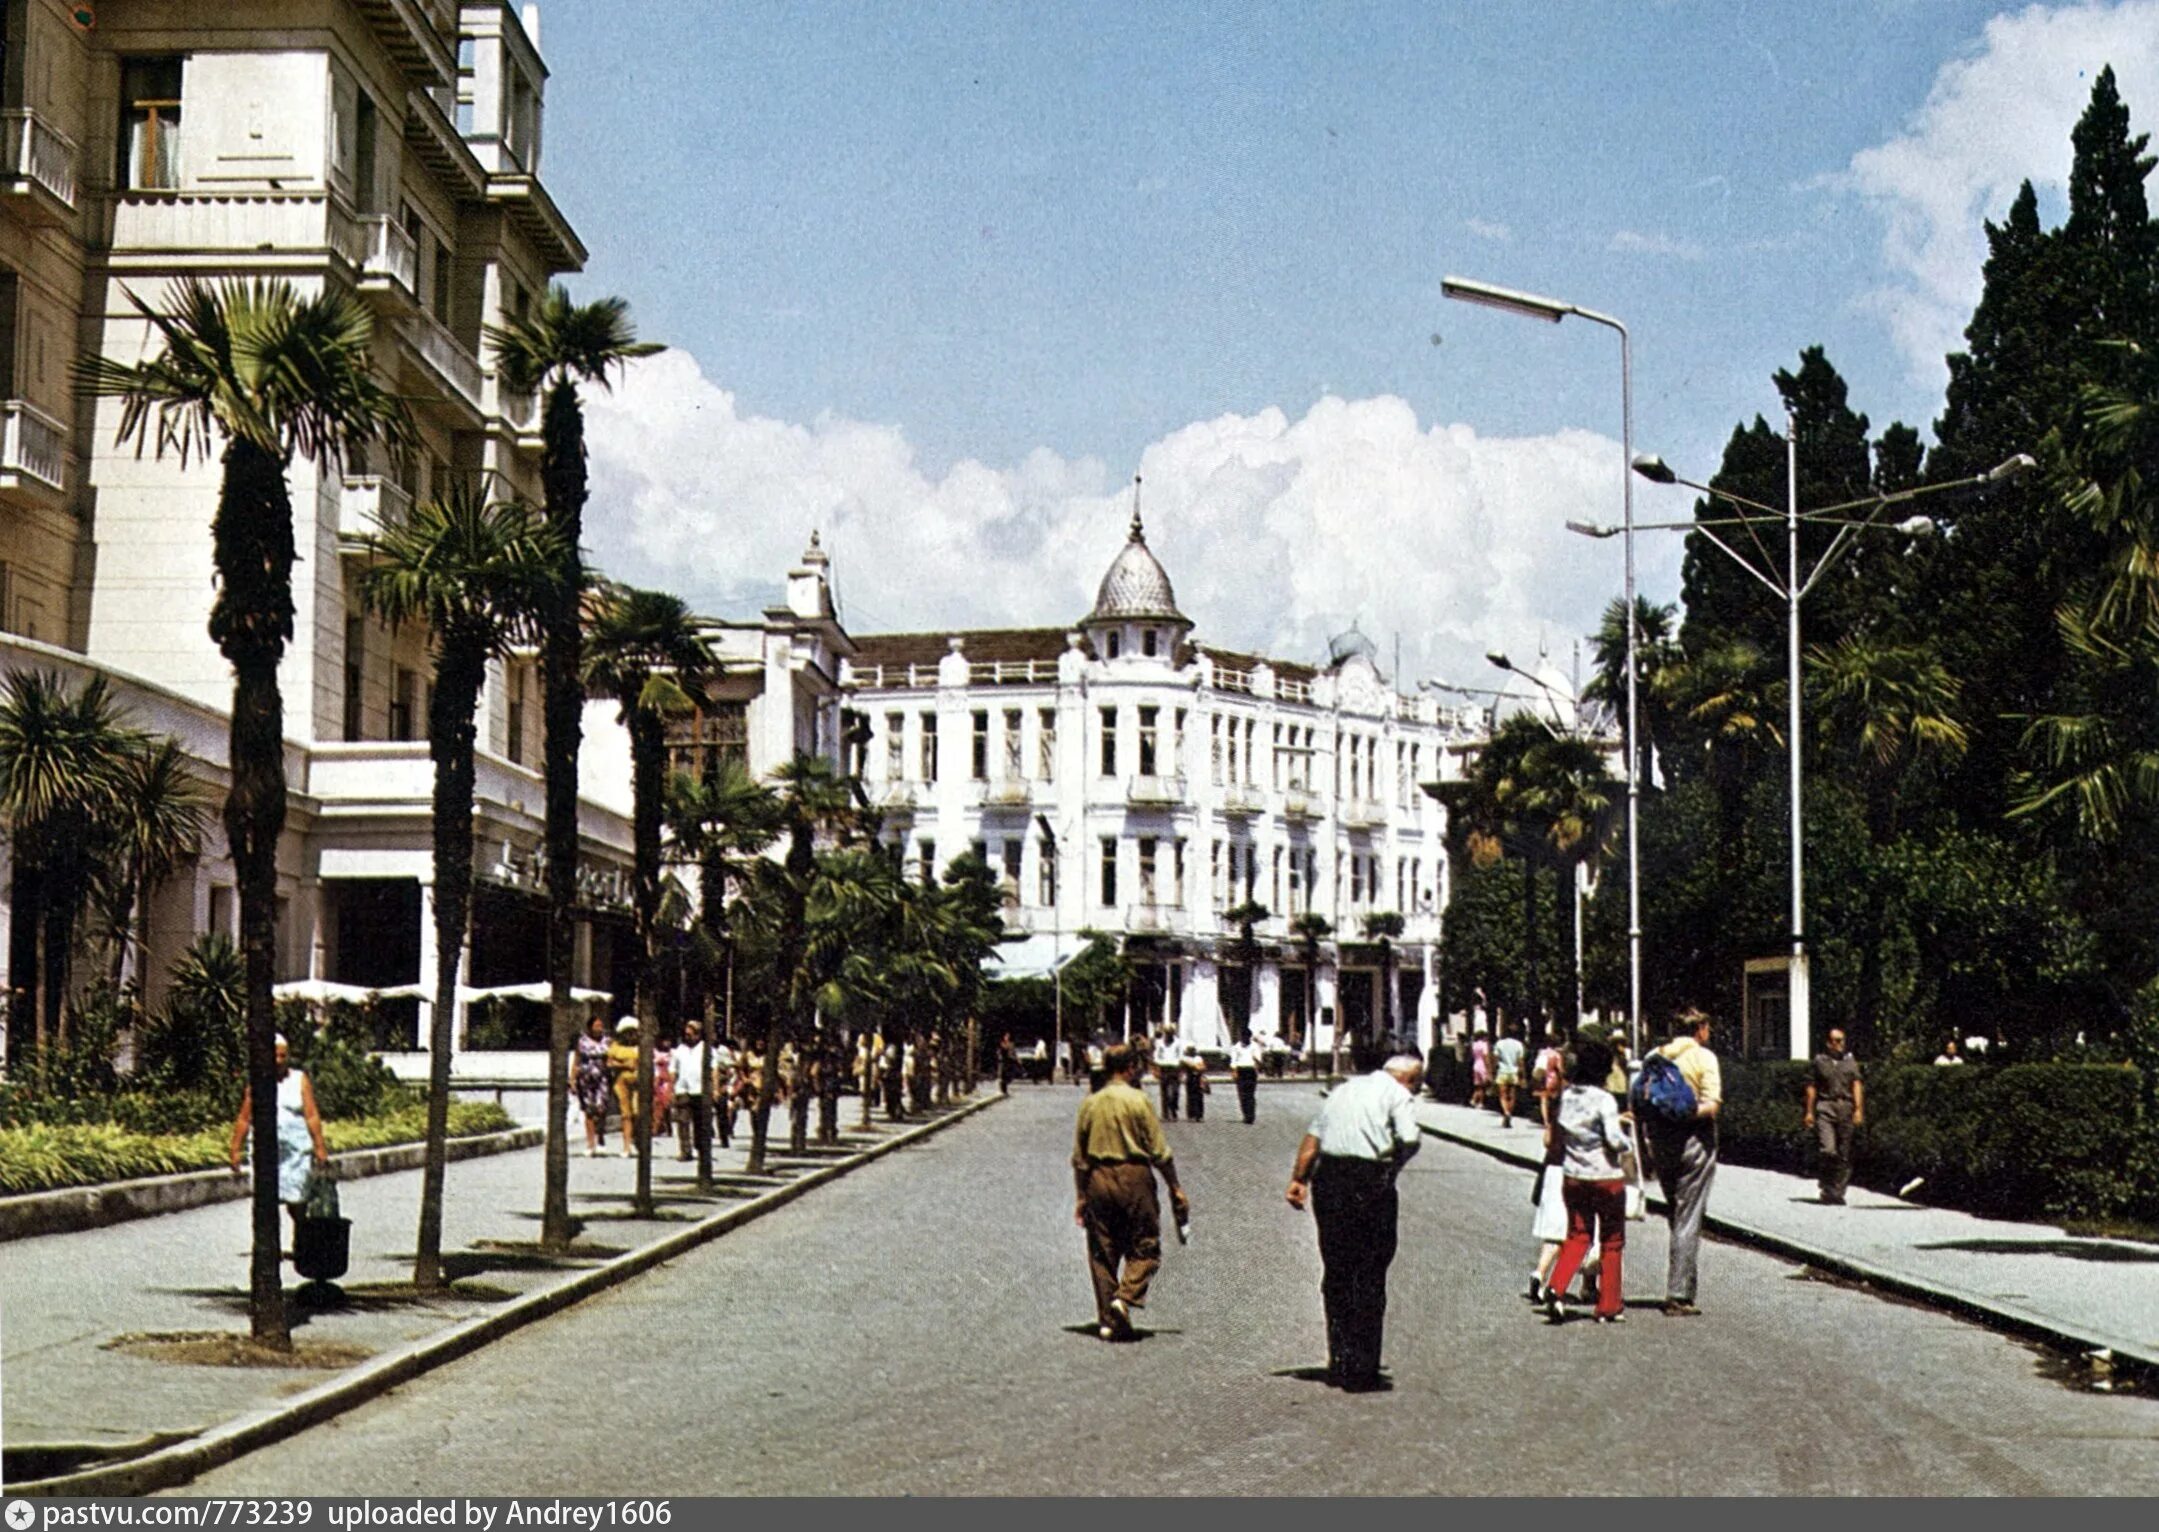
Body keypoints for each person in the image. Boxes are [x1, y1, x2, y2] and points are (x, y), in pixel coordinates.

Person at [1284, 1052, 1425, 1392]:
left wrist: (1298, 1179)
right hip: (1369, 1179)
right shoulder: (1397, 1094)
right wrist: (1392, 1168)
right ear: (1409, 1079)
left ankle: (1340, 1358)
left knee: (1337, 1268)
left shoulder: (1343, 1090)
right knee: (1371, 1269)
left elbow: (1313, 1137)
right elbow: (1410, 1138)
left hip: (1330, 1179)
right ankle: (1364, 1366)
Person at [1072, 1044, 1190, 1342]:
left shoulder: (1091, 1103)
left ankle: (1108, 1320)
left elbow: (1079, 1158)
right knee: (1145, 1247)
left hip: (1098, 1178)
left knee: (1102, 1251)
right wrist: (1174, 1186)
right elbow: (1159, 1150)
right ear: (1127, 1068)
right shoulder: (1139, 1101)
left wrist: (1081, 1196)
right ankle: (1123, 1300)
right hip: (1135, 1176)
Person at [1539, 1038, 1631, 1324]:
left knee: (1578, 1236)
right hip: (1606, 1178)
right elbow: (1615, 1141)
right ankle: (1609, 1306)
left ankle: (1556, 1286)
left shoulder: (1567, 1097)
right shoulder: (1605, 1100)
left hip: (1573, 1177)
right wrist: (1627, 1139)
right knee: (1612, 1241)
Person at [1644, 1009, 1721, 1317]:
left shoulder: (1654, 1055)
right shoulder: (1704, 1058)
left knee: (1677, 1211)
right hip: (1694, 1141)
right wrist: (1684, 1113)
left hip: (1660, 1142)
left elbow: (1641, 1100)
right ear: (1700, 1029)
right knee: (1688, 1215)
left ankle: (1684, 1283)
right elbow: (1712, 1106)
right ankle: (1678, 1294)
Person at [227, 1033, 329, 1224]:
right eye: (275, 1056)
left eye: (283, 1056)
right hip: (267, 1153)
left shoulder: (299, 1079)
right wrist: (235, 1148)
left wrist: (320, 1146)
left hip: (296, 1152)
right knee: (267, 1201)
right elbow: (244, 1118)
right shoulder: (257, 1082)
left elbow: (311, 1115)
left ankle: (301, 1237)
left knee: (298, 1199)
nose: (279, 1061)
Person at [1802, 1026, 1865, 1205]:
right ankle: (1827, 1185)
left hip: (1845, 1107)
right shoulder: (1819, 1061)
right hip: (1826, 1107)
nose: (1839, 1044)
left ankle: (1837, 1192)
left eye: (1842, 1040)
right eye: (1836, 1041)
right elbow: (1811, 1087)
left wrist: (1858, 1109)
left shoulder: (1850, 1062)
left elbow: (1857, 1085)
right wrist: (1809, 1111)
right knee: (1828, 1150)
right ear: (1828, 1043)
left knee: (1844, 1153)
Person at [670, 1021, 713, 1164]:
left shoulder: (706, 1050)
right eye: (686, 1034)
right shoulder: (679, 1050)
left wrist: (715, 1088)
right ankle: (685, 1151)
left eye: (691, 1034)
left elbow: (714, 1070)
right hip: (682, 1089)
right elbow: (673, 1071)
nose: (687, 1037)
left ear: (698, 1034)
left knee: (700, 1122)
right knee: (682, 1121)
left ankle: (701, 1148)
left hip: (700, 1090)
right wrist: (672, 1088)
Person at [573, 1015, 613, 1157]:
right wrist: (572, 1079)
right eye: (596, 1025)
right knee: (589, 1111)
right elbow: (576, 1060)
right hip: (585, 1078)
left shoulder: (607, 1041)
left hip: (602, 1078)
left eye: (600, 1025)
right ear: (590, 1027)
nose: (599, 1028)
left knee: (601, 1110)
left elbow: (610, 1058)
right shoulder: (582, 1041)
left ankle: (601, 1139)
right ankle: (590, 1143)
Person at [606, 1017, 642, 1157]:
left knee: (637, 1113)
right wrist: (625, 1065)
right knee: (625, 1115)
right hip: (621, 1082)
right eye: (627, 1032)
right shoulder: (616, 1046)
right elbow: (610, 1063)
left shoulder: (641, 1047)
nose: (630, 1035)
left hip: (638, 1083)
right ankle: (626, 1146)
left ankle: (637, 1139)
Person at [1492, 1023, 1525, 1128]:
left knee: (1502, 1095)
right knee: (1512, 1095)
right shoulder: (1519, 1045)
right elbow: (1520, 1061)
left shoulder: (1499, 1044)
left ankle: (1506, 1112)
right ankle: (1510, 1112)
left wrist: (1493, 1072)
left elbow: (1495, 1059)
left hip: (1502, 1071)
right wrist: (1523, 1075)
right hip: (1514, 1072)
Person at [1228, 1029, 1263, 1124]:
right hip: (1241, 1070)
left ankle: (1251, 1116)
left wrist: (1257, 1067)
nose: (1245, 1039)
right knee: (1242, 1094)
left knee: (1250, 1094)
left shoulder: (1255, 1046)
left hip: (1250, 1071)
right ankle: (1246, 1115)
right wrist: (1234, 1072)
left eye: (1247, 1037)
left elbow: (1258, 1060)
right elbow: (1233, 1061)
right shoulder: (1236, 1047)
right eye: (1243, 1037)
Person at [1153, 1027, 1182, 1121]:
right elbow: (1156, 1055)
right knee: (1164, 1091)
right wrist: (1156, 1068)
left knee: (1175, 1091)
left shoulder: (1178, 1042)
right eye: (1167, 1033)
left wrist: (1180, 1069)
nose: (1168, 1035)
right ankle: (1165, 1113)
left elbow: (1180, 1055)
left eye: (1170, 1033)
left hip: (1175, 1068)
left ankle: (1173, 1110)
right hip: (1164, 1067)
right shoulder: (1160, 1043)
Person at [1181, 1040, 1208, 1120]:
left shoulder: (1198, 1058)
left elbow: (1202, 1067)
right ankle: (1191, 1114)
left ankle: (1199, 1114)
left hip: (1198, 1077)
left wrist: (1195, 1066)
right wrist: (1196, 1066)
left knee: (1199, 1096)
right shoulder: (1185, 1058)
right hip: (1190, 1077)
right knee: (1190, 1096)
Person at [1469, 1030, 1491, 1111]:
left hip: (1476, 1064)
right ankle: (1480, 1102)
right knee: (1483, 1086)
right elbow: (1485, 1056)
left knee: (1477, 1085)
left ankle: (1473, 1099)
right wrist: (1488, 1068)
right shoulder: (1484, 1045)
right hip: (1482, 1065)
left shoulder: (1474, 1045)